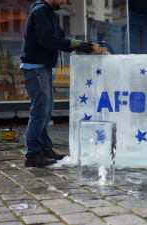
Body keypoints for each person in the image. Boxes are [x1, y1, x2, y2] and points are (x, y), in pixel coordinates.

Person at [20, 0, 93, 167]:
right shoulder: (41, 11)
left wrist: (78, 45)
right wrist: (75, 44)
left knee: (46, 110)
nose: (65, 1)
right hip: (35, 67)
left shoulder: (49, 13)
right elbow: (46, 39)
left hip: (41, 67)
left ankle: (45, 148)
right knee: (40, 110)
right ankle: (33, 154)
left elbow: (57, 38)